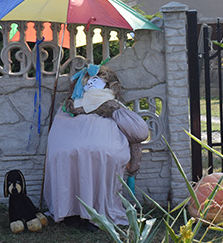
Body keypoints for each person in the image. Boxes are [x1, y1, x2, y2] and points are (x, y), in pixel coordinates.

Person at [43, 64, 149, 229]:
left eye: (96, 80)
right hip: (72, 139)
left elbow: (139, 131)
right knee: (64, 153)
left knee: (100, 153)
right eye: (88, 81)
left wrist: (112, 110)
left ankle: (96, 212)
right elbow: (61, 124)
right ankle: (70, 211)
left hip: (103, 144)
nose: (91, 83)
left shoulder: (111, 104)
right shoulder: (72, 104)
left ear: (108, 85)